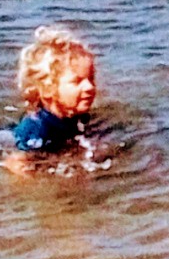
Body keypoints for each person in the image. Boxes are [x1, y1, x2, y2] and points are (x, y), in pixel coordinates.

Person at [7, 25, 100, 160]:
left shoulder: (76, 116)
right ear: (47, 90)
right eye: (77, 81)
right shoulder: (37, 130)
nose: (89, 87)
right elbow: (16, 161)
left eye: (91, 78)